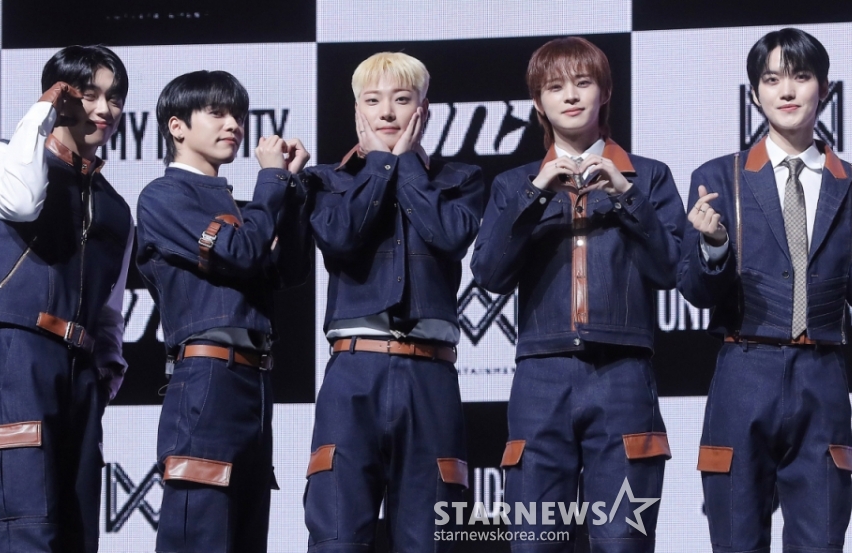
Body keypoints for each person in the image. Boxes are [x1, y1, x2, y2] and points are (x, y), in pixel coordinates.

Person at [678, 28, 852, 552]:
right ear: (754, 94)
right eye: (772, 79)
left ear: (823, 89)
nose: (787, 91)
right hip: (742, 374)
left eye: (801, 77)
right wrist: (713, 244)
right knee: (736, 541)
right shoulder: (718, 178)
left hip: (821, 377)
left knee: (821, 541)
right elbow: (694, 290)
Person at [471, 36, 685, 552]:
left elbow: (671, 269)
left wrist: (627, 195)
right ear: (538, 102)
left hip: (623, 375)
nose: (570, 96)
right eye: (555, 87)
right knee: (534, 541)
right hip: (540, 379)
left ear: (605, 92)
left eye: (583, 83)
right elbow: (490, 274)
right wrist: (535, 193)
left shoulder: (648, 177)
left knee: (623, 541)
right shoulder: (515, 184)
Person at [302, 52, 485, 552]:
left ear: (423, 109)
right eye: (373, 101)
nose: (387, 112)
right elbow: (341, 237)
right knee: (337, 537)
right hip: (353, 372)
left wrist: (405, 165)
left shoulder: (460, 179)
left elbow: (449, 236)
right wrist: (382, 165)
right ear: (356, 111)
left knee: (430, 539)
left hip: (431, 375)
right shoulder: (326, 181)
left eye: (401, 99)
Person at [0, 45, 134, 553]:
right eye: (90, 94)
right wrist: (40, 115)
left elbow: (110, 307)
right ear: (60, 98)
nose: (105, 109)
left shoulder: (115, 207)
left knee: (78, 531)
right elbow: (23, 200)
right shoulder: (0, 158)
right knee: (22, 525)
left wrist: (105, 375)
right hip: (17, 352)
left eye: (115, 98)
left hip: (80, 371)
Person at [136, 70, 312, 553]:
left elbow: (290, 270)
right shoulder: (163, 196)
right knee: (201, 535)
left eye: (237, 114)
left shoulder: (240, 206)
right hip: (206, 379)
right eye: (217, 113)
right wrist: (272, 179)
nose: (233, 124)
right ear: (177, 127)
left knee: (247, 535)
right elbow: (240, 251)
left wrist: (291, 188)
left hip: (255, 384)